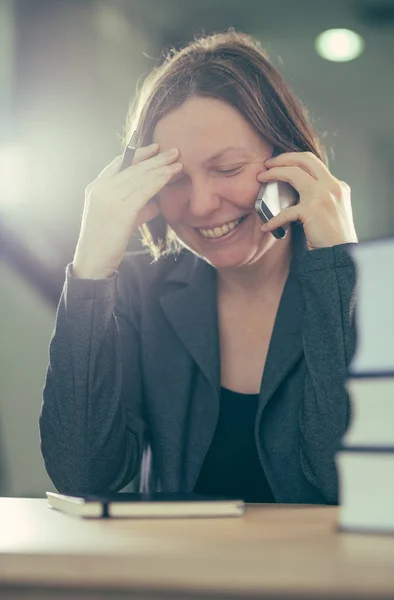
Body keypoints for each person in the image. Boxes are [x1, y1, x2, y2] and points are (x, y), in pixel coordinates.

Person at [39, 30, 358, 504]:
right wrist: (90, 267)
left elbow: (352, 482)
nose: (203, 205)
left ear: (290, 159)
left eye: (228, 169)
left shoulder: (369, 289)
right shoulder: (136, 293)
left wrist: (338, 270)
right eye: (175, 180)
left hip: (324, 579)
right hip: (179, 578)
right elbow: (83, 474)